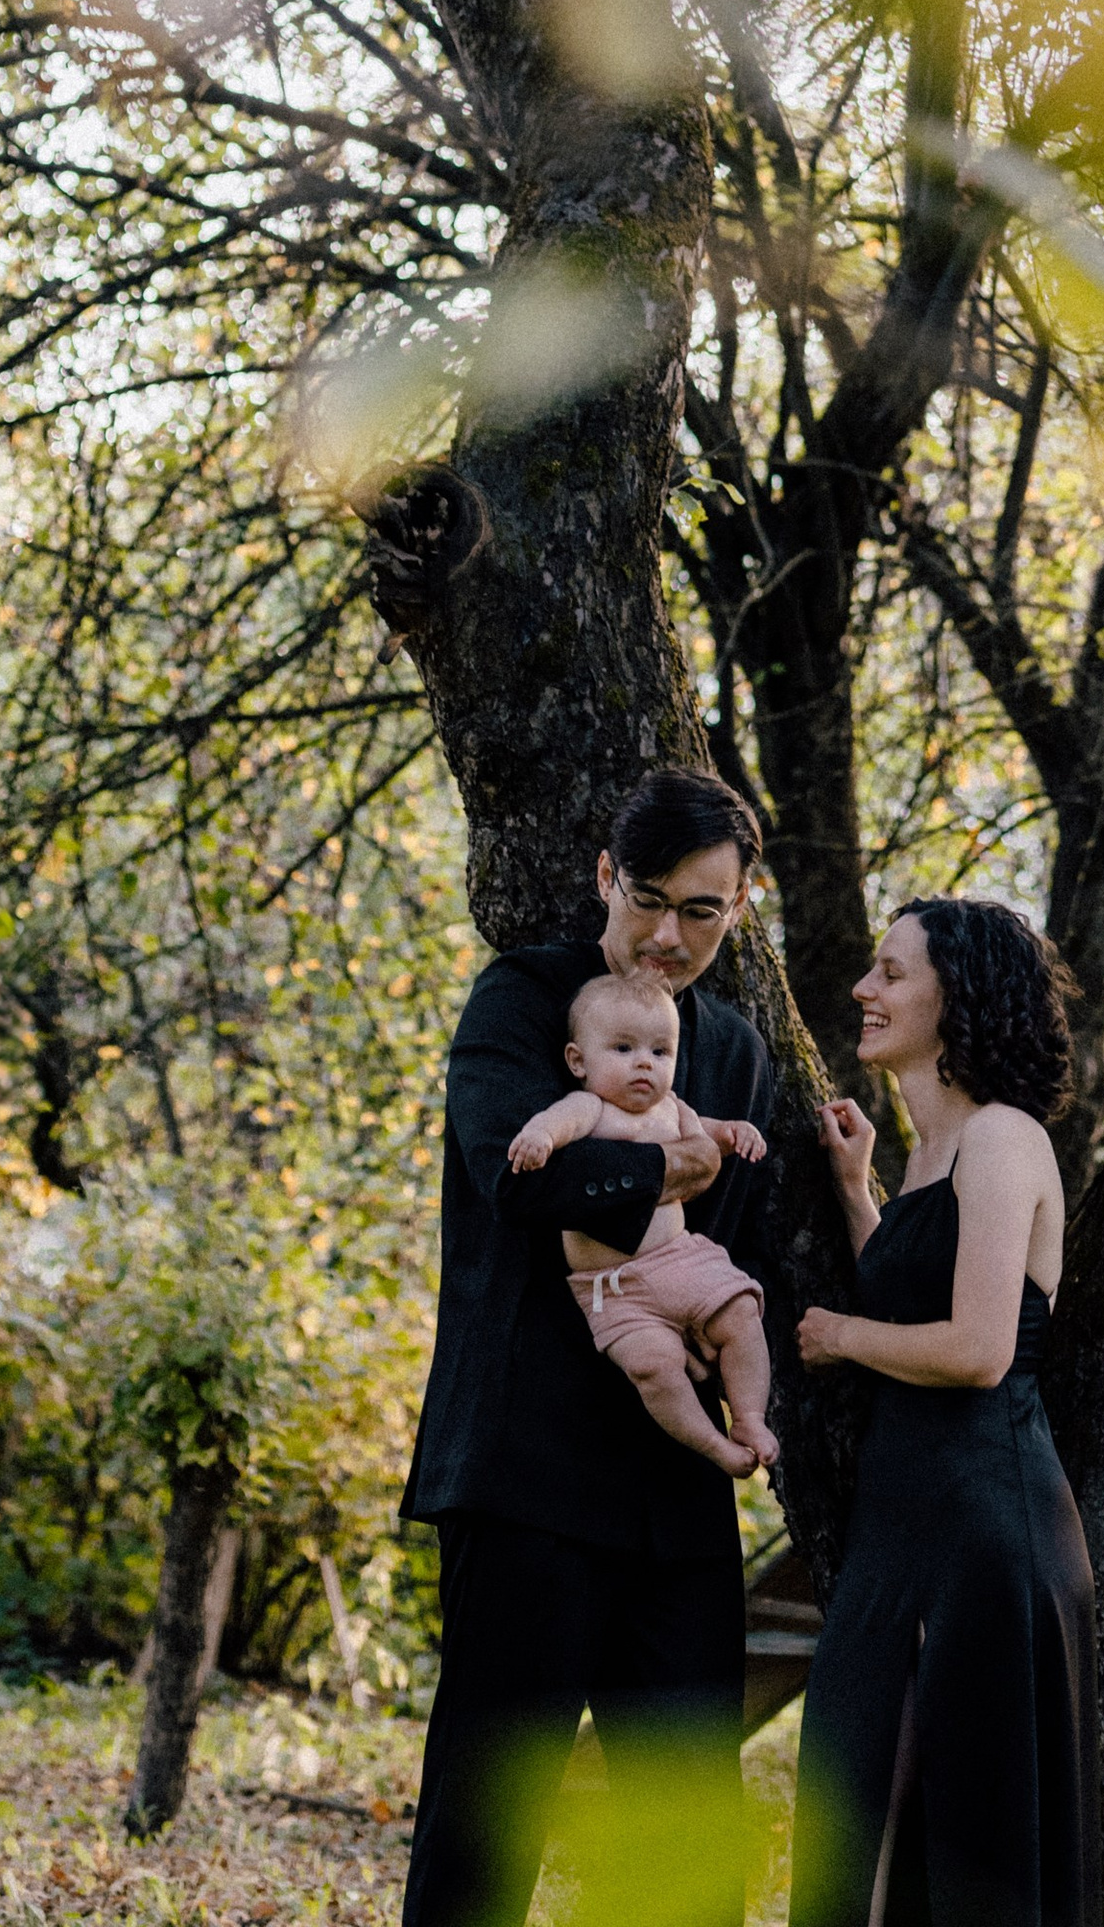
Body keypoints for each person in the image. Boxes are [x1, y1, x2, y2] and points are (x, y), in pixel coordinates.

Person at [400, 765, 774, 1927]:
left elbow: (739, 1255)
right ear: (605, 877)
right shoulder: (521, 1001)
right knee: (481, 1840)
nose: (667, 935)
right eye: (648, 897)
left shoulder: (739, 1056)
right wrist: (662, 1167)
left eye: (701, 911)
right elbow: (508, 1181)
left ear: (740, 909)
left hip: (677, 1501)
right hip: (523, 1477)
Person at [792, 898, 1100, 1927]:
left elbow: (976, 1349)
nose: (862, 991)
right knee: (859, 1827)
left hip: (985, 1534)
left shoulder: (1004, 1140)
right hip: (904, 1527)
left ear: (953, 997)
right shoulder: (933, 1153)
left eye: (889, 973)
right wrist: (853, 1190)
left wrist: (836, 1336)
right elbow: (921, 1286)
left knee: (960, 1850)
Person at [507, 965, 777, 1476]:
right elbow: (558, 1123)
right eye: (624, 1049)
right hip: (613, 1287)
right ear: (578, 1061)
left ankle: (749, 1417)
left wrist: (734, 1132)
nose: (644, 1066)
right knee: (652, 1367)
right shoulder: (589, 1108)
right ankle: (715, 1447)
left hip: (682, 1260)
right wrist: (541, 1136)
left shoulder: (673, 1110)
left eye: (660, 1052)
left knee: (742, 1313)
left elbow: (707, 1133)